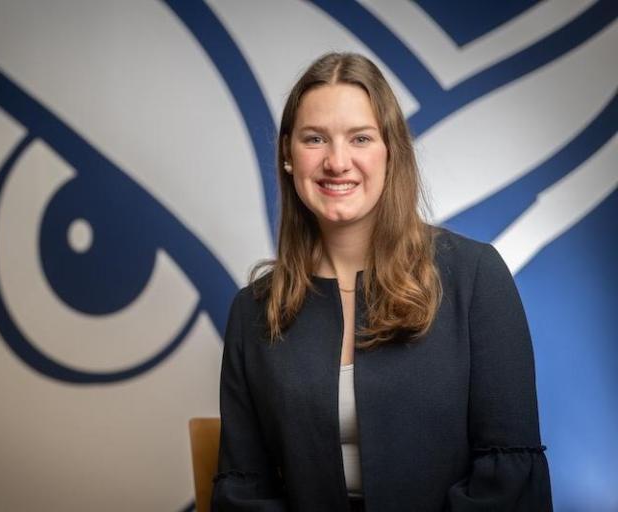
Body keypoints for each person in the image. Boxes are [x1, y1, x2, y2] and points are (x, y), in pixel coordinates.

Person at [210, 52, 553, 512]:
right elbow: (242, 489)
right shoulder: (252, 310)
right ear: (289, 156)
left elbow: (508, 478)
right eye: (315, 139)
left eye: (360, 138)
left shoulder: (475, 277)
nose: (337, 161)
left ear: (390, 151)